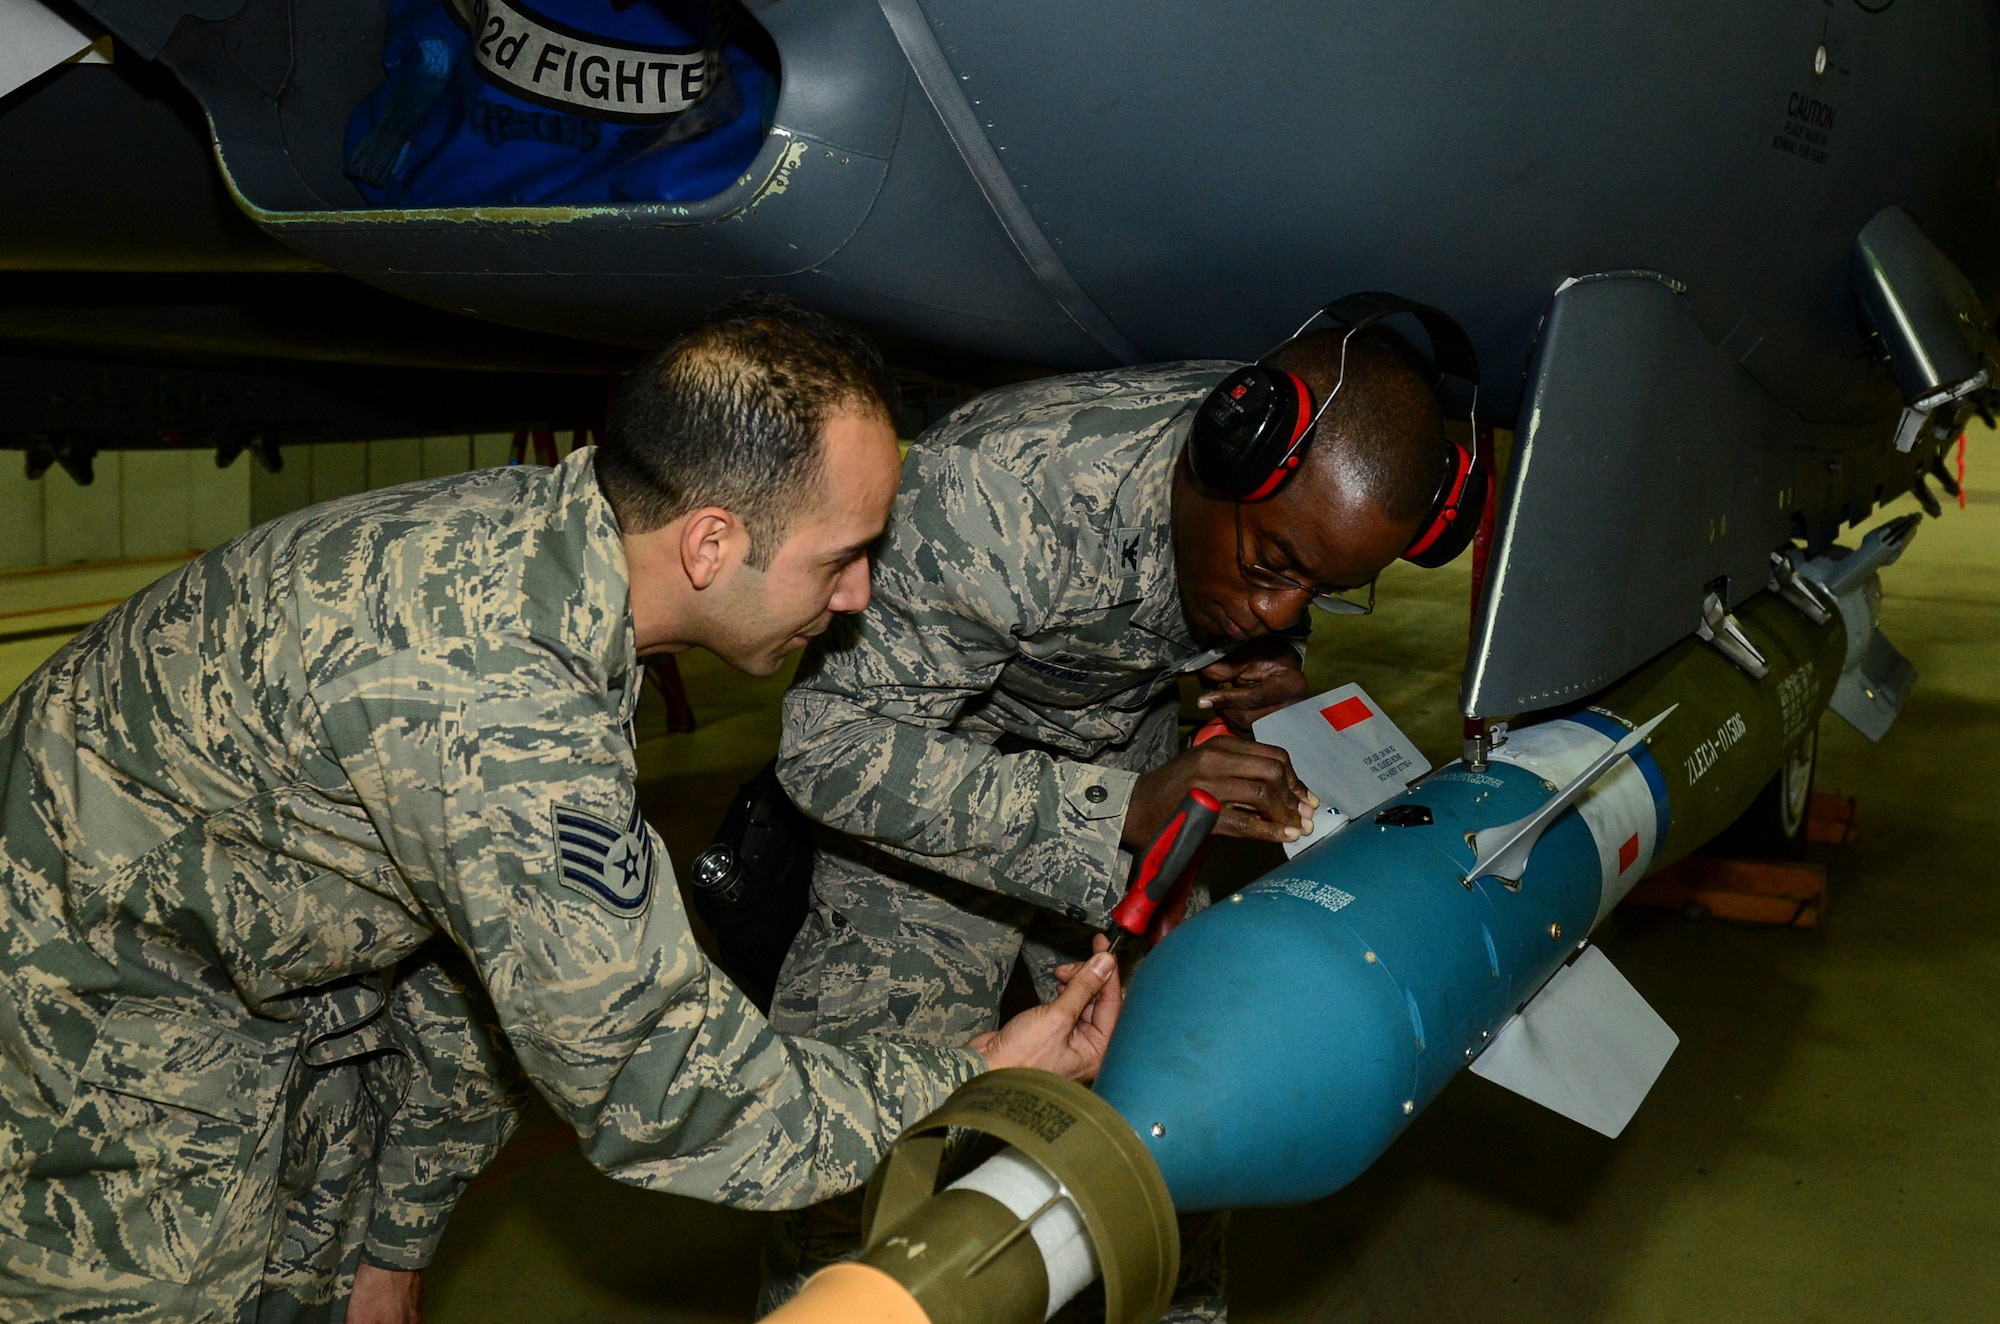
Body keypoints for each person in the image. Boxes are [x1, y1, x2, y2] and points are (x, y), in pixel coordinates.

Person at [0, 294, 1122, 1324]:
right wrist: (984, 1070)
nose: (859, 595)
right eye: (842, 558)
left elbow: (466, 975)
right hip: (80, 978)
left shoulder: (559, 552)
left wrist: (395, 1242)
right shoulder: (501, 705)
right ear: (711, 543)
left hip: (250, 958)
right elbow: (668, 1086)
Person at [762, 321, 1465, 1321]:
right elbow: (825, 747)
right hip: (924, 779)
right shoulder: (994, 491)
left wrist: (1269, 671)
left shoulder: (1276, 495)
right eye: (1272, 565)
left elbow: (1275, 590)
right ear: (1217, 464)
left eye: (1320, 590)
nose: (1279, 607)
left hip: (1129, 756)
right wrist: (1119, 811)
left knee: (1182, 1097)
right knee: (861, 1161)